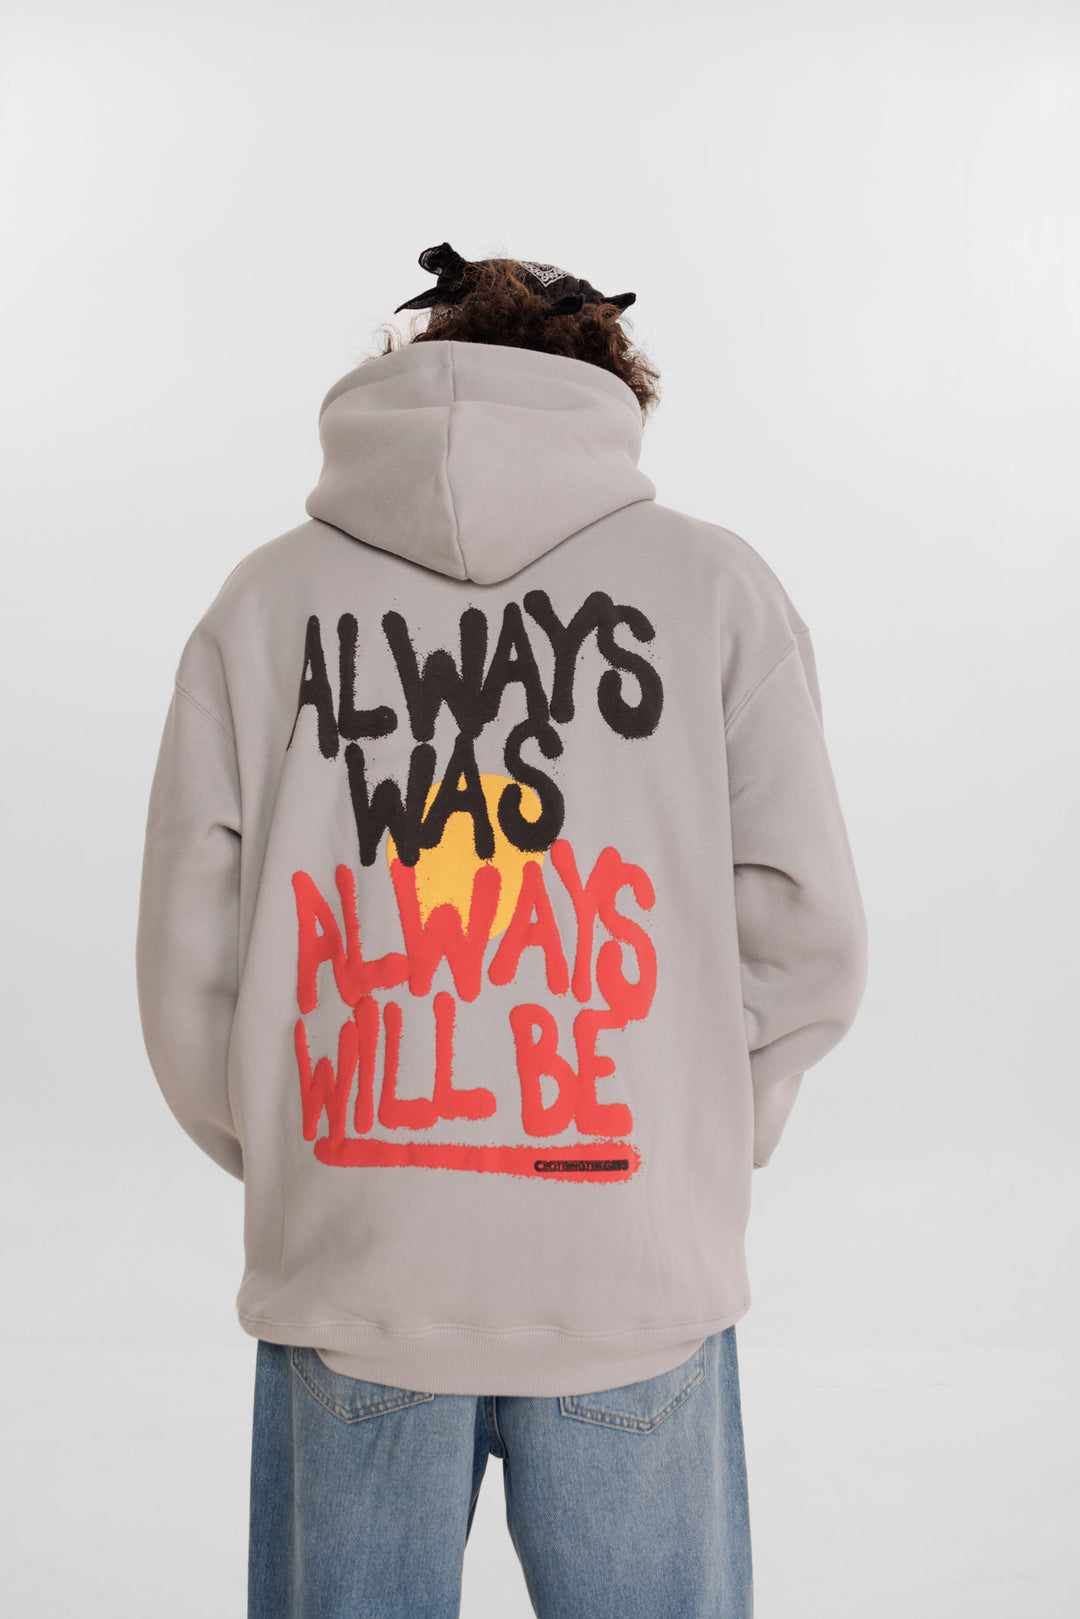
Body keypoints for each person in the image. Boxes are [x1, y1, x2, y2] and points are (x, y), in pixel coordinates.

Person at [135, 241, 869, 1618]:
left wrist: (302, 1155)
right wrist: (692, 1117)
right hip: (630, 1259)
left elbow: (190, 950)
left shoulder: (263, 604)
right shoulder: (715, 589)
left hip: (355, 1257)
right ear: (608, 382)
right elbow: (808, 925)